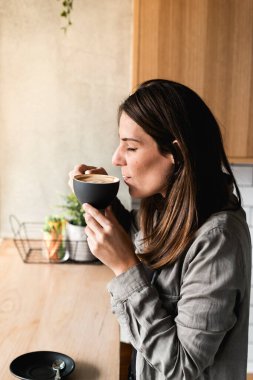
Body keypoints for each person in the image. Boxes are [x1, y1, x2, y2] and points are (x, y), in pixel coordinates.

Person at [69, 79, 252, 380]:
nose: (116, 158)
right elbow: (141, 245)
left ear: (175, 154)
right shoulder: (163, 205)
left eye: (131, 147)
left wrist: (125, 268)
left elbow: (182, 367)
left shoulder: (218, 239)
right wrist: (97, 197)